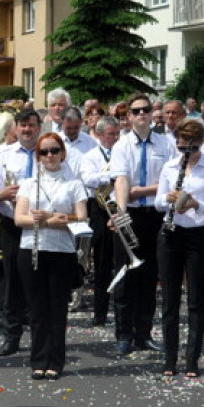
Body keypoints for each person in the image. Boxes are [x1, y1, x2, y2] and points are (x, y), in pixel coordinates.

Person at [13, 132, 87, 379]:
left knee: (57, 310)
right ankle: (38, 360)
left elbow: (82, 217)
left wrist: (57, 220)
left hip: (62, 251)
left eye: (54, 150)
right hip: (32, 249)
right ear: (38, 156)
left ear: (63, 153)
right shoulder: (29, 183)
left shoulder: (74, 183)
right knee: (37, 310)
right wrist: (47, 220)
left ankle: (55, 361)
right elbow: (19, 218)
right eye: (44, 152)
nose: (50, 156)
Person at [154, 120, 204, 377]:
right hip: (171, 233)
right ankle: (170, 358)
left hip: (199, 234)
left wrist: (196, 203)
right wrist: (168, 199)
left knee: (196, 298)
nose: (187, 153)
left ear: (200, 144)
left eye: (191, 148)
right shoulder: (170, 166)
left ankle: (192, 359)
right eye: (183, 147)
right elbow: (158, 203)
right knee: (170, 299)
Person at [110, 94, 176, 356]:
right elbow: (122, 180)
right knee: (125, 276)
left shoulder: (166, 143)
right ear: (128, 116)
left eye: (145, 110)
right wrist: (122, 213)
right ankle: (124, 335)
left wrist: (149, 190)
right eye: (135, 111)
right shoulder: (122, 145)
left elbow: (170, 180)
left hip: (155, 215)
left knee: (150, 277)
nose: (141, 115)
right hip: (132, 214)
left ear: (152, 113)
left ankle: (144, 333)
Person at [0, 109, 42, 356]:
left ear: (39, 127)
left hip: (41, 224)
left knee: (39, 282)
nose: (27, 130)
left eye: (32, 125)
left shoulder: (49, 152)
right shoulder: (2, 154)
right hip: (12, 225)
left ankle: (40, 336)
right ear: (15, 127)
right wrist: (2, 194)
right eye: (23, 125)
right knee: (13, 282)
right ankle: (12, 335)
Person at [79, 115, 121, 326]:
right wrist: (112, 177)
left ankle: (123, 308)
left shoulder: (123, 152)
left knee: (122, 260)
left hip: (120, 207)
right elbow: (88, 178)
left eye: (117, 133)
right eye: (110, 134)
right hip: (100, 210)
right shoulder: (91, 156)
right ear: (101, 135)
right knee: (102, 263)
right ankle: (100, 312)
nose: (114, 138)